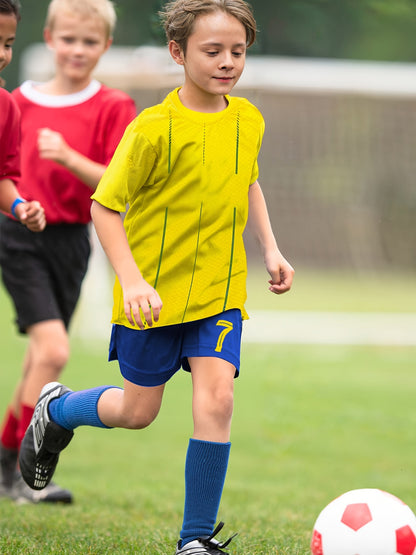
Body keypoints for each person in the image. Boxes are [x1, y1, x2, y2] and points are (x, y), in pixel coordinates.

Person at [19, 0, 294, 551]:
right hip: (152, 299)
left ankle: (194, 541)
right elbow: (105, 206)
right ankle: (57, 409)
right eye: (212, 51)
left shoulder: (248, 120)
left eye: (237, 51)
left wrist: (271, 248)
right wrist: (134, 281)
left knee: (217, 399)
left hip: (219, 294)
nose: (227, 62)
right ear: (178, 52)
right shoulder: (152, 130)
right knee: (136, 411)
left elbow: (248, 182)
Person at [0, 0, 136, 504]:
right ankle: (17, 470)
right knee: (55, 351)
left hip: (74, 241)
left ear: (105, 45)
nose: (77, 50)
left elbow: (119, 185)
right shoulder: (17, 101)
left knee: (41, 355)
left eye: (89, 42)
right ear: (50, 38)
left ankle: (3, 465)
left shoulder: (114, 106)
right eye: (69, 39)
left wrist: (69, 158)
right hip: (18, 236)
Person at [0, 0, 45, 233]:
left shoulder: (6, 106)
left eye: (7, 44)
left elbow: (2, 178)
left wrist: (20, 207)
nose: (1, 54)